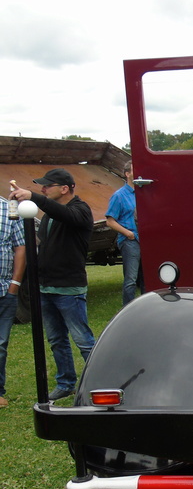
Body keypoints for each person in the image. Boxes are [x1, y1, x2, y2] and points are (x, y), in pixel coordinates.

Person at [10, 169, 96, 402]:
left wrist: (34, 198)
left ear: (65, 188)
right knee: (57, 340)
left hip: (68, 289)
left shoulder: (81, 210)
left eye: (48, 186)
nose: (43, 189)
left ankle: (101, 381)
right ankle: (66, 383)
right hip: (46, 288)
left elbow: (64, 214)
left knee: (83, 341)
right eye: (41, 187)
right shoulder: (49, 215)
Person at [106, 161, 144, 305]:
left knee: (145, 277)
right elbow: (110, 221)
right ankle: (128, 309)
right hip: (130, 241)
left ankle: (145, 308)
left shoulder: (143, 193)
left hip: (144, 240)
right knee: (131, 279)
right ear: (127, 174)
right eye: (135, 169)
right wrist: (128, 233)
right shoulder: (119, 196)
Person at [0, 195, 25, 408]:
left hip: (4, 290)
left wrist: (15, 283)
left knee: (0, 344)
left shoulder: (9, 210)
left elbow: (20, 248)